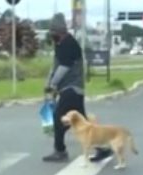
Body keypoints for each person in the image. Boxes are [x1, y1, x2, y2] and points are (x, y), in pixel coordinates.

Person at [43, 13, 112, 162]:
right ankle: (104, 148)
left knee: (59, 118)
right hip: (71, 89)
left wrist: (52, 85)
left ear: (60, 31)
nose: (52, 35)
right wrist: (48, 83)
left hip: (72, 88)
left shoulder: (69, 44)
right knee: (83, 121)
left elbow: (64, 67)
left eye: (54, 32)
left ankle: (60, 151)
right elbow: (55, 65)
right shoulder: (60, 44)